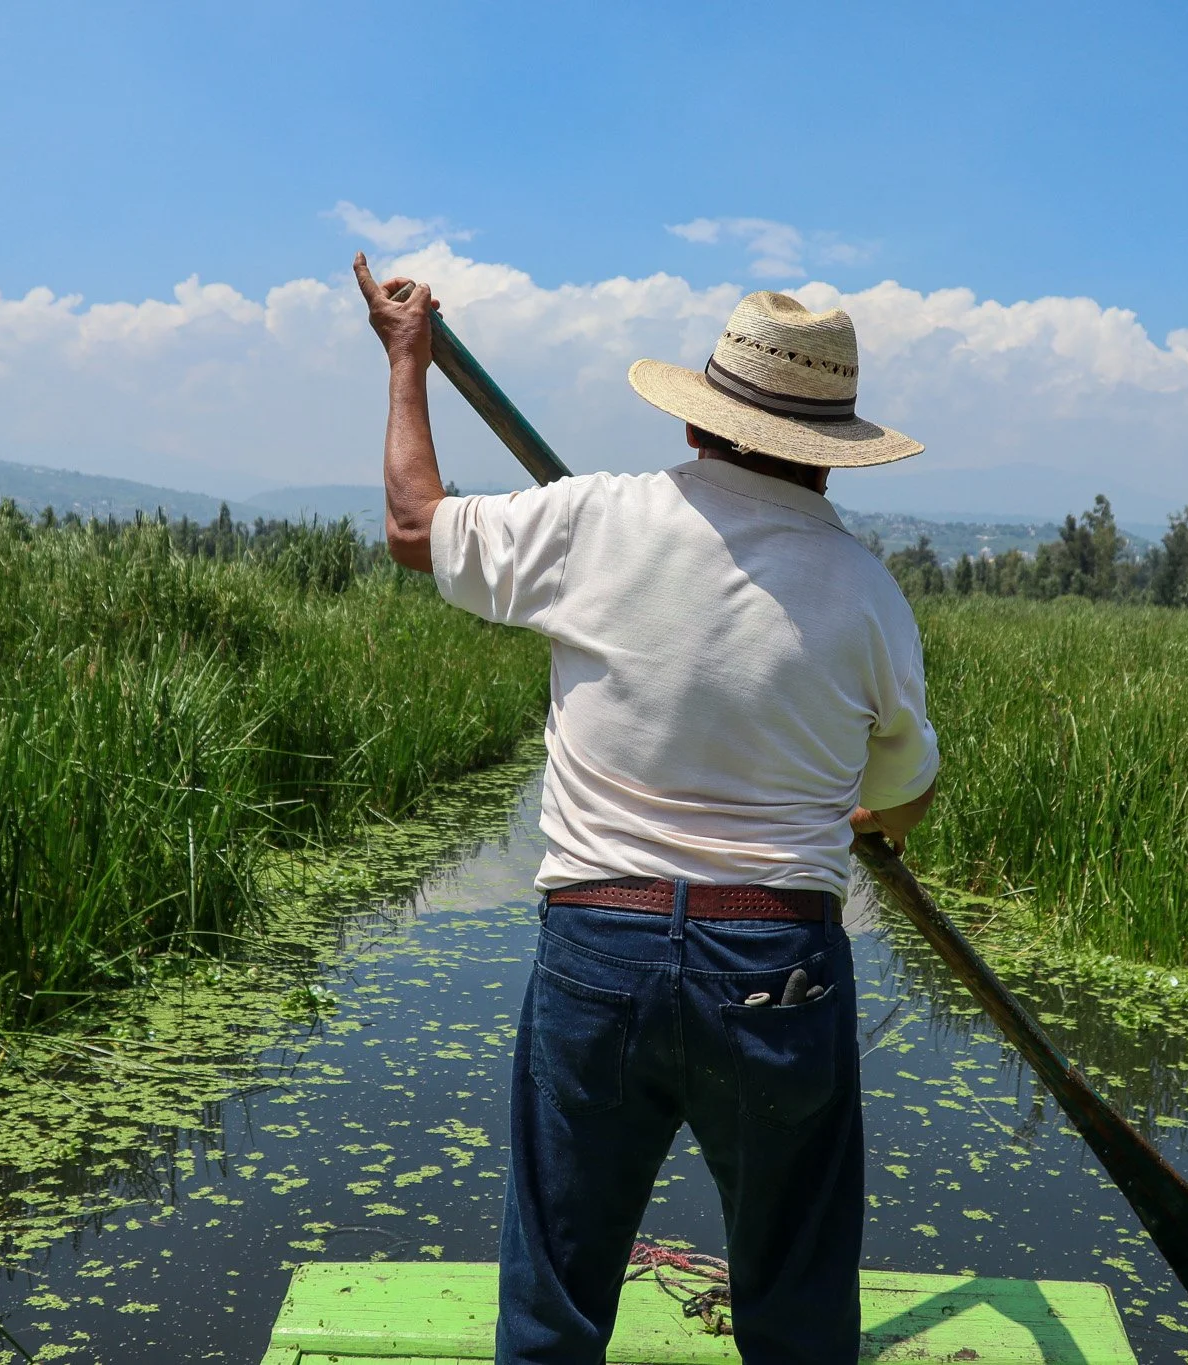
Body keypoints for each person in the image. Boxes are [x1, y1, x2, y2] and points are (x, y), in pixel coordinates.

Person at [354, 253, 939, 1365]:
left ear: (695, 425)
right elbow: (901, 800)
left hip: (598, 950)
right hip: (778, 964)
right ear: (830, 458)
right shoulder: (867, 593)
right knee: (796, 1299)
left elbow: (412, 523)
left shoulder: (591, 523)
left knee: (556, 1303)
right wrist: (865, 821)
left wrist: (405, 361)